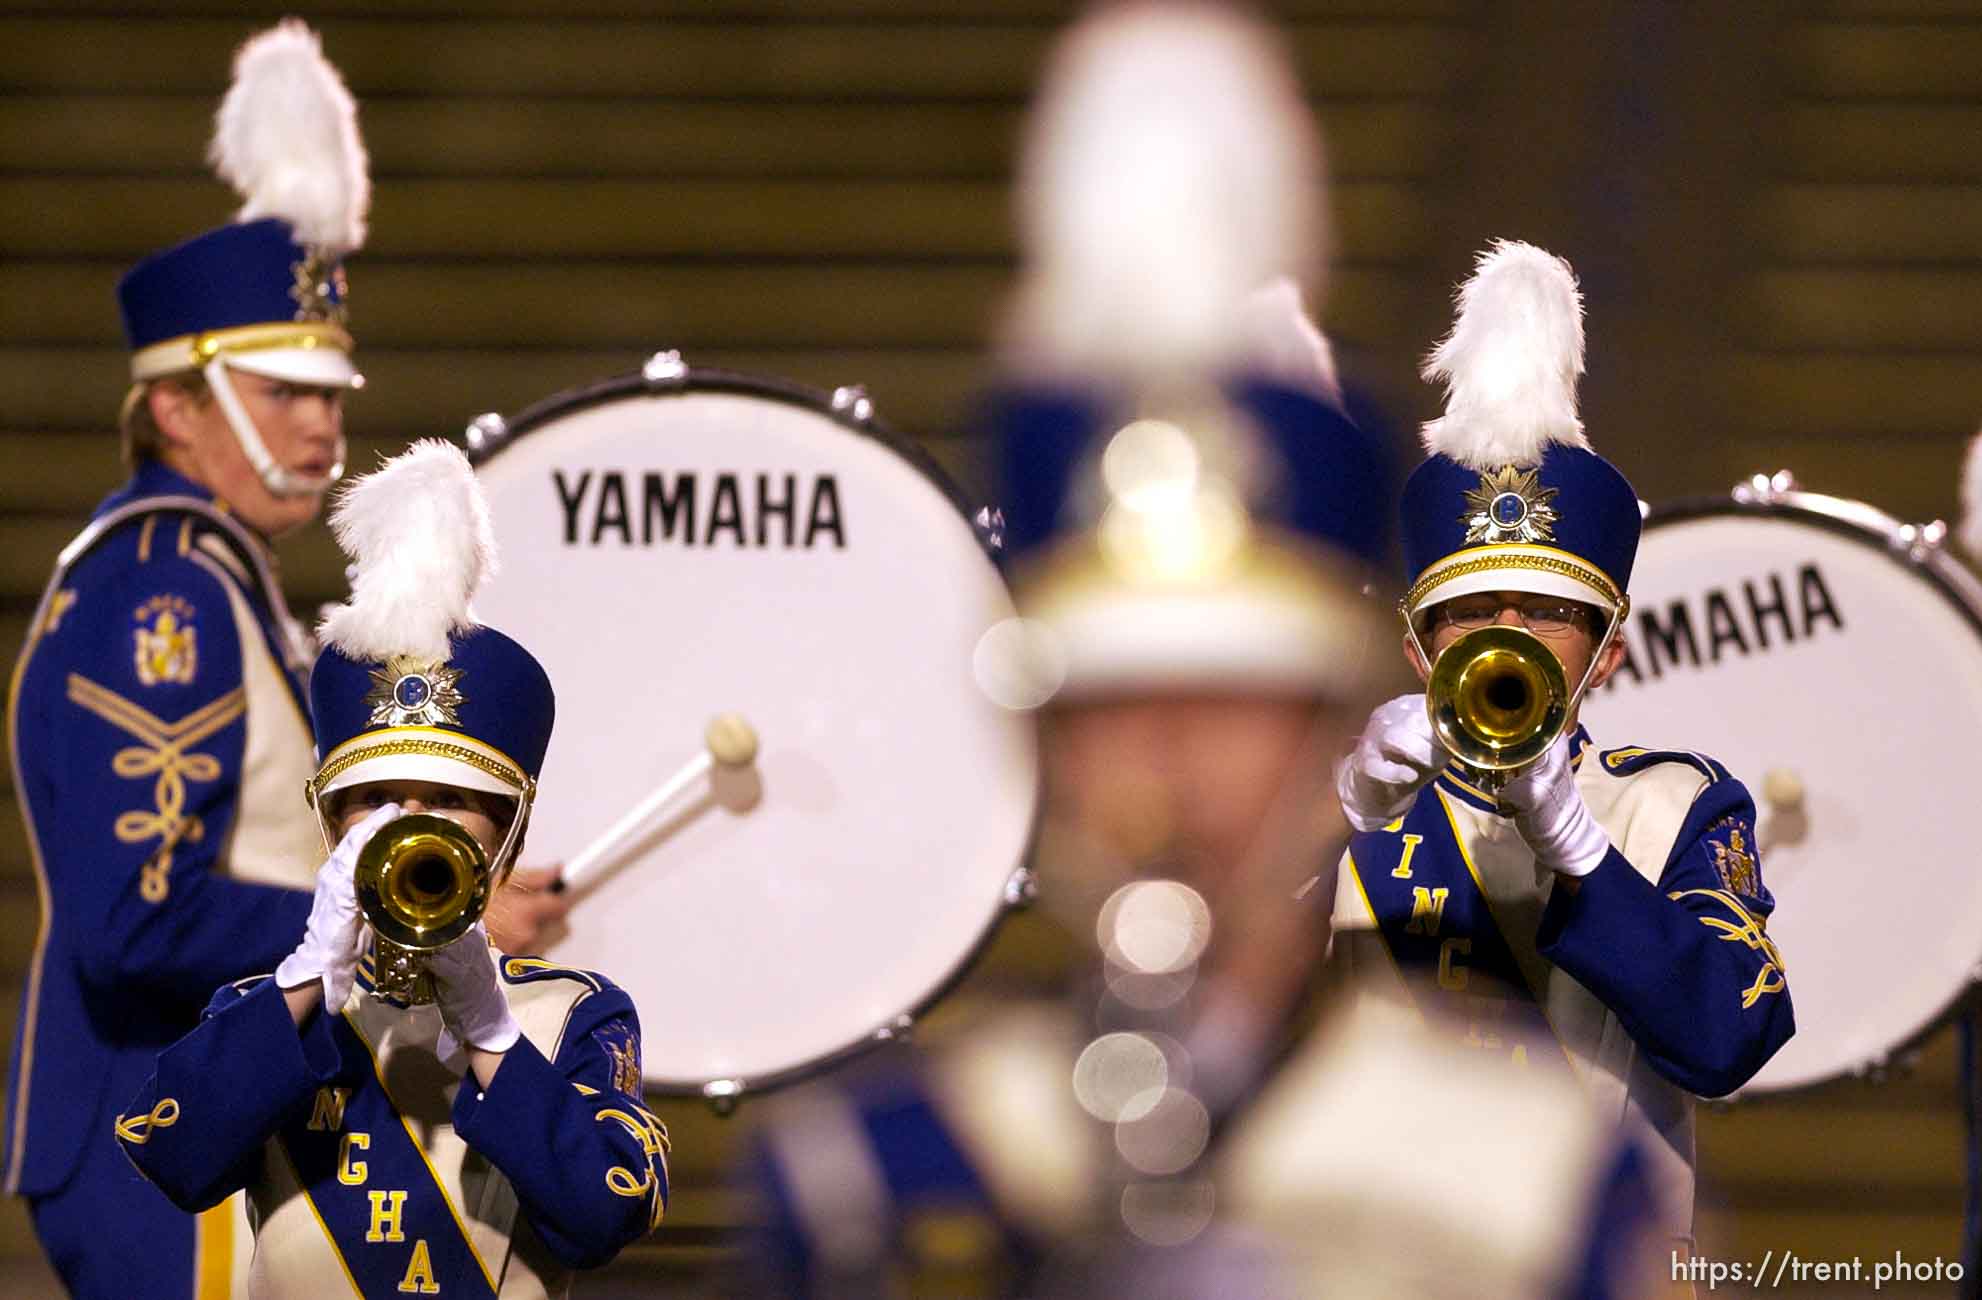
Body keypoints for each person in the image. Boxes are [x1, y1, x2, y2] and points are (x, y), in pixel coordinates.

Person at [744, 9, 1664, 1297]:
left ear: (1335, 721)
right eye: (1110, 701)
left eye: (1234, 698)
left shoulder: (1542, 1181)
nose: (1164, 757)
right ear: (1039, 738)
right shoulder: (865, 1182)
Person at [4, 24, 563, 1296]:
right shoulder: (163, 597)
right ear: (175, 405)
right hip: (155, 1127)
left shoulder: (210, 579)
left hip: (208, 1109)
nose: (325, 421)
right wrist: (408, 915)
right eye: (279, 390)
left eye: (330, 391)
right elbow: (138, 922)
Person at [116, 440, 667, 1298]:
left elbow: (604, 1213)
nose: (408, 827)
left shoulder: (572, 1016)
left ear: (510, 836)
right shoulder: (271, 1011)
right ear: (329, 823)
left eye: (449, 802)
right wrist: (307, 979)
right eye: (373, 801)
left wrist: (489, 1029)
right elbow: (172, 1152)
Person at [1329, 239, 1798, 1248]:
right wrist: (1326, 826)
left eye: (1543, 611)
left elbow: (1728, 1037)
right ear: (1417, 649)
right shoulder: (1337, 805)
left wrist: (1580, 850)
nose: (1504, 637)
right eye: (1471, 614)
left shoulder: (1672, 803)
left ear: (1609, 654)